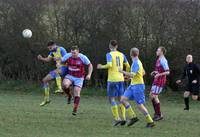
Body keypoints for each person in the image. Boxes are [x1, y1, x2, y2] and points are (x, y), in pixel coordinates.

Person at [97, 40, 130, 126]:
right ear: (117, 46)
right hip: (121, 79)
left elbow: (109, 65)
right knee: (121, 99)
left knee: (111, 99)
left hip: (112, 79)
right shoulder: (122, 54)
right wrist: (127, 74)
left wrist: (101, 66)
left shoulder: (109, 54)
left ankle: (117, 118)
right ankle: (123, 118)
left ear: (110, 46)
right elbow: (128, 65)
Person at [119, 47, 155, 128]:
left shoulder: (136, 63)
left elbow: (132, 74)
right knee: (123, 99)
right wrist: (130, 77)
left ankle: (150, 121)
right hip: (132, 85)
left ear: (131, 54)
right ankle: (133, 117)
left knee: (140, 105)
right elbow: (143, 73)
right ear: (137, 54)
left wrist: (122, 71)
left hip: (138, 86)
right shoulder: (138, 62)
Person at [60, 46, 93, 115]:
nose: (73, 54)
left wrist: (89, 74)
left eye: (74, 53)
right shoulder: (67, 56)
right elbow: (61, 62)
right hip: (70, 75)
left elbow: (90, 65)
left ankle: (75, 109)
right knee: (65, 85)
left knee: (77, 92)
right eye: (72, 53)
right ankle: (69, 96)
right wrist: (60, 65)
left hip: (79, 77)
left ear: (78, 52)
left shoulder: (83, 57)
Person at [37, 41, 70, 106]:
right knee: (45, 80)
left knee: (56, 71)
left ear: (54, 45)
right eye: (49, 48)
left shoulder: (61, 49)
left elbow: (68, 59)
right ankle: (47, 99)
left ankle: (60, 88)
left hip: (65, 67)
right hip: (59, 68)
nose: (50, 49)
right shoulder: (52, 52)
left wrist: (59, 59)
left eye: (50, 48)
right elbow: (48, 60)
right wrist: (41, 58)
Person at [150, 47, 170, 121]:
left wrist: (159, 74)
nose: (156, 51)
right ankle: (157, 113)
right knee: (151, 96)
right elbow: (158, 70)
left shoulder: (163, 60)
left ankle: (159, 114)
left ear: (161, 52)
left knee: (155, 96)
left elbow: (168, 72)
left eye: (158, 50)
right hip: (156, 79)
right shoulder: (158, 59)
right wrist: (154, 72)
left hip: (160, 80)